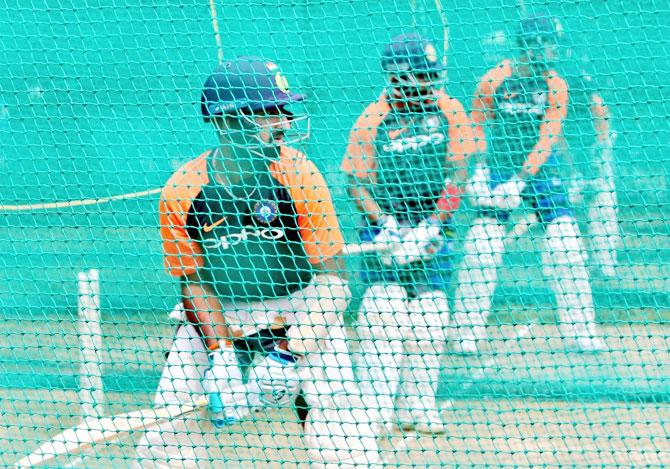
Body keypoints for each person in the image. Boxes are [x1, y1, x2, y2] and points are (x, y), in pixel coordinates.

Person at [135, 57, 380, 468]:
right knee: (164, 439)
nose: (284, 122)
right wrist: (222, 358)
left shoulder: (300, 174)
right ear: (229, 120)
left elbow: (335, 281)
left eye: (284, 110)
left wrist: (287, 354)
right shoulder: (183, 189)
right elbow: (194, 283)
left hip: (301, 306)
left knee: (345, 437)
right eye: (270, 112)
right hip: (223, 310)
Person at [342, 33, 476, 435]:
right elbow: (356, 184)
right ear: (398, 77)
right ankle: (373, 412)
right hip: (385, 230)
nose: (429, 83)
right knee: (384, 313)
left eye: (431, 76)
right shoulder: (373, 119)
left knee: (431, 318)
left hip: (431, 227)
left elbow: (459, 173)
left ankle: (417, 408)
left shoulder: (448, 109)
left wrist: (434, 224)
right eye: (421, 76)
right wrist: (386, 224)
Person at [451, 16, 607, 354]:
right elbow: (476, 125)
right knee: (482, 245)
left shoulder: (556, 85)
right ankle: (466, 332)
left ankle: (581, 330)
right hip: (498, 164)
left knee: (566, 243)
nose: (544, 48)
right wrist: (478, 169)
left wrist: (521, 180)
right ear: (523, 45)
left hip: (538, 169)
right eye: (536, 42)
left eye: (548, 42)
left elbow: (548, 137)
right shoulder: (494, 79)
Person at [560, 52, 620, 278]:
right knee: (569, 208)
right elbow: (559, 137)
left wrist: (597, 164)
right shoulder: (560, 102)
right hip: (574, 163)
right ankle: (578, 261)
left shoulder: (594, 103)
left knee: (603, 204)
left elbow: (602, 126)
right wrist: (573, 168)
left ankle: (604, 265)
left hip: (595, 159)